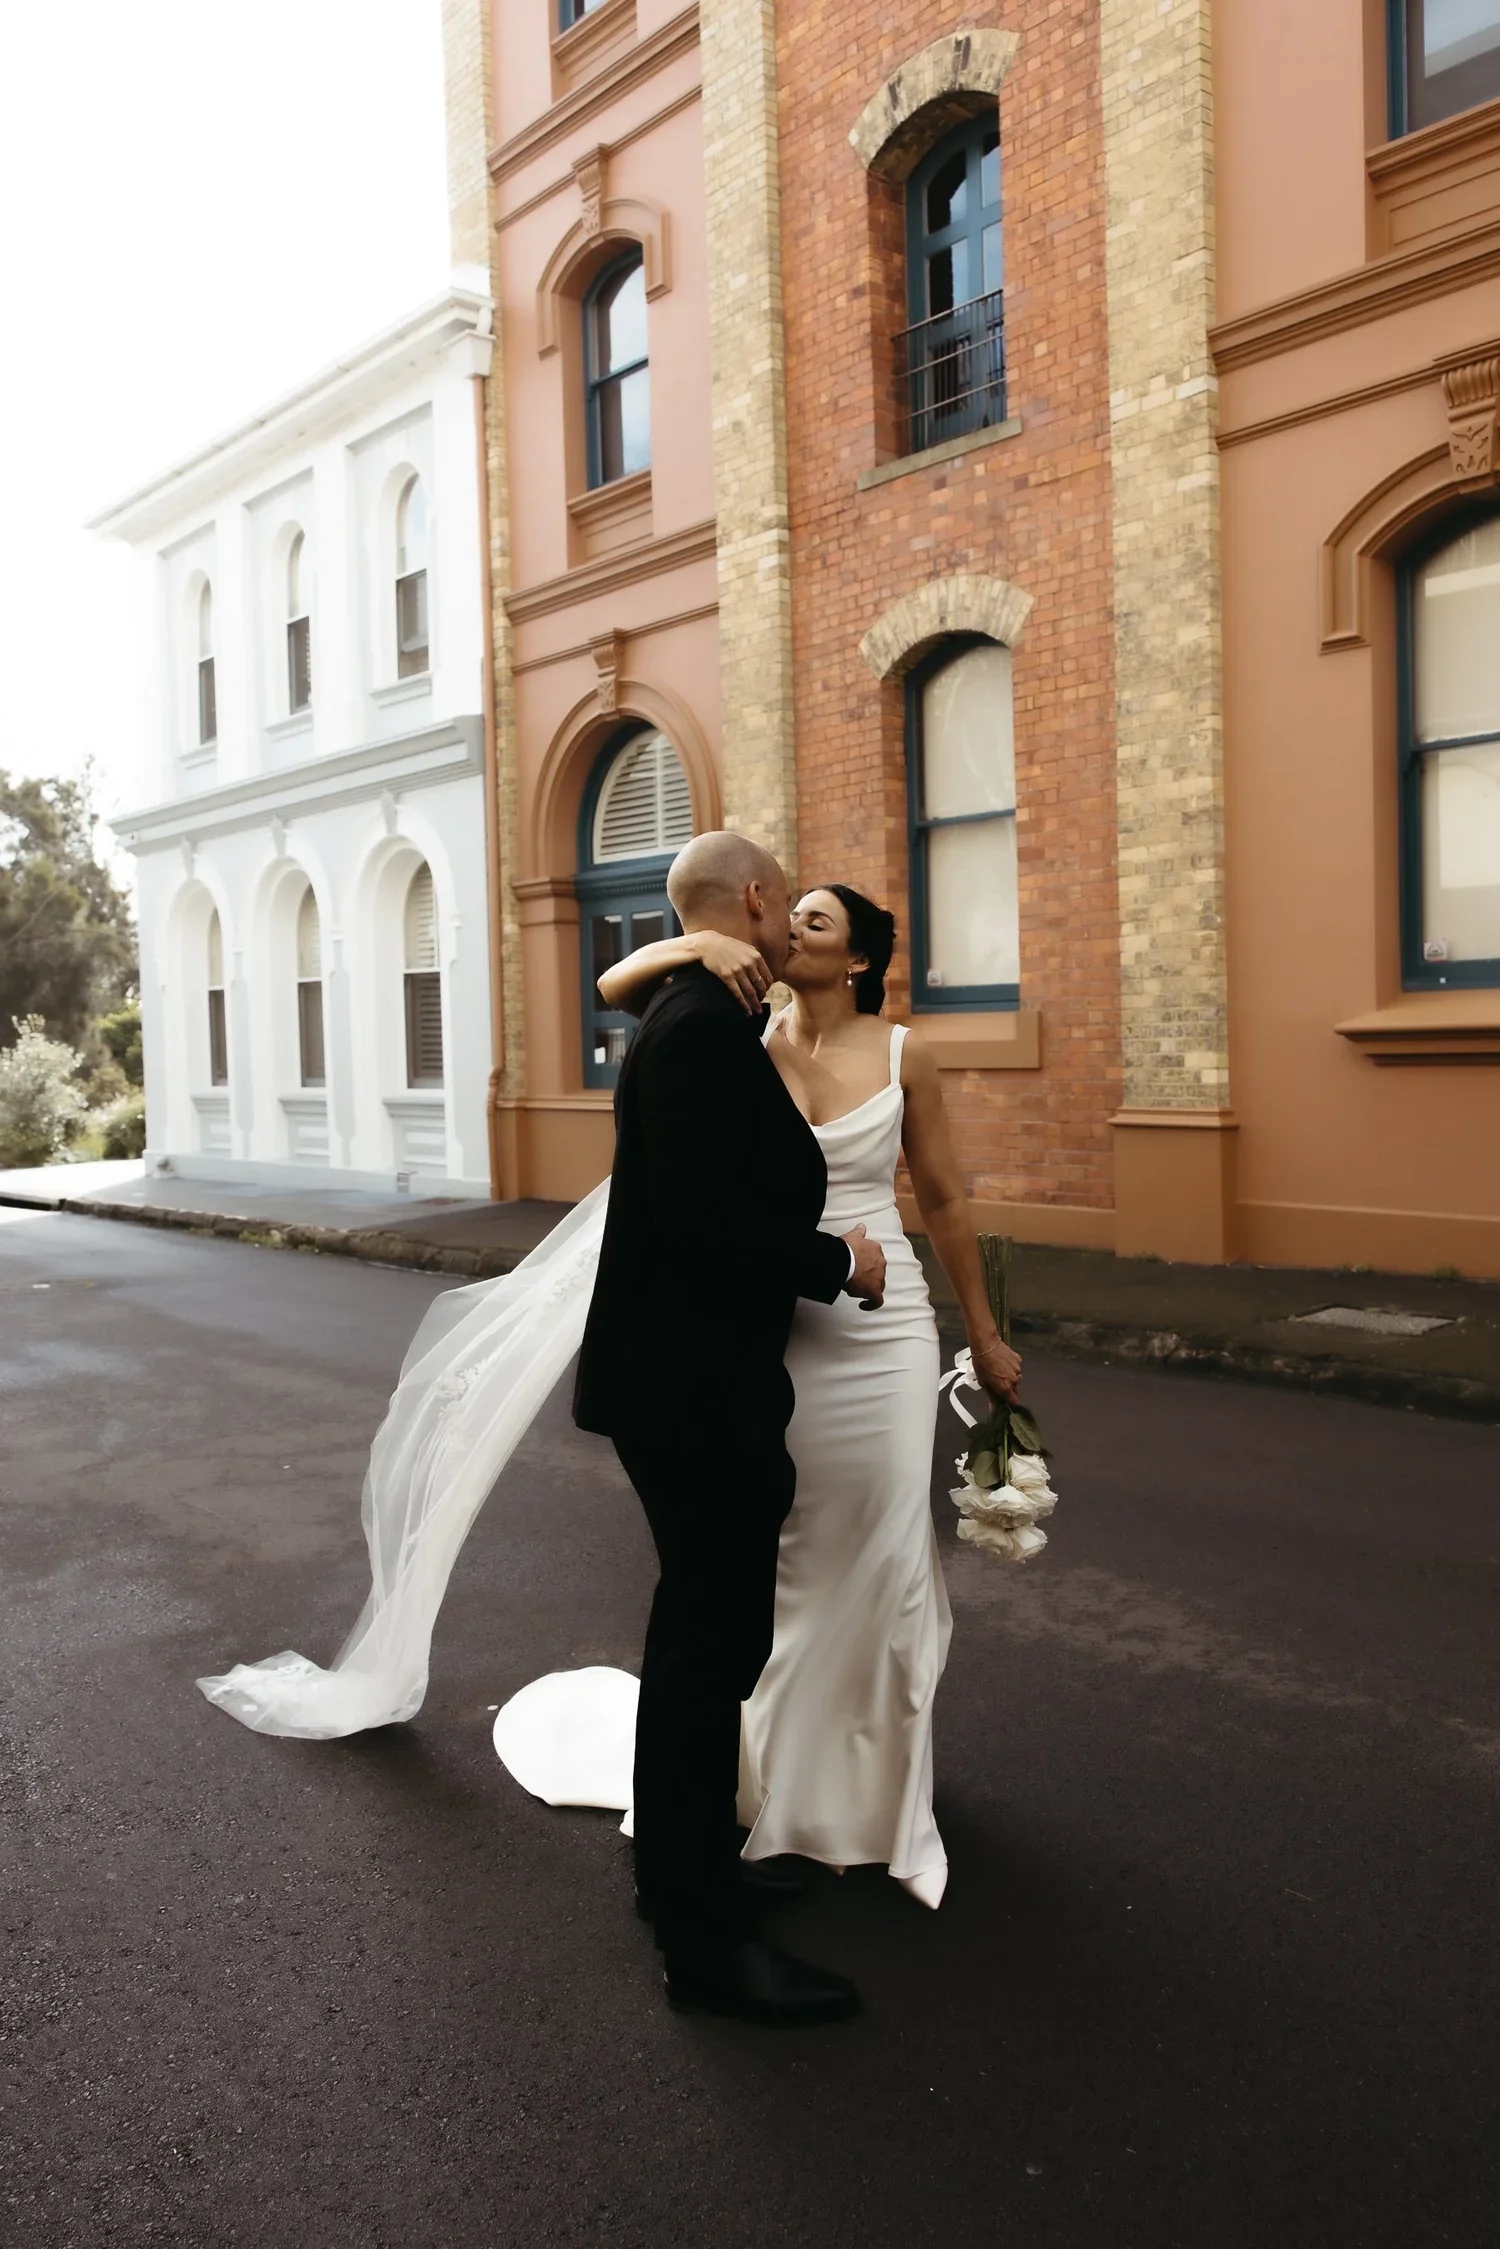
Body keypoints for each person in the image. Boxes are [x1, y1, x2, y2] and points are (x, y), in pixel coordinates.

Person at [595, 881, 1021, 1927]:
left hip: (884, 1323)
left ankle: (874, 1793)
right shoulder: (743, 1025)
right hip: (783, 1313)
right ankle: (773, 1777)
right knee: (784, 1555)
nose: (794, 926)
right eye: (791, 912)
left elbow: (948, 1196)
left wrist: (987, 1326)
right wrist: (694, 936)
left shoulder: (904, 1051)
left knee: (882, 1545)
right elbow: (617, 984)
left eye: (818, 919)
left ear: (861, 957)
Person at [574, 833, 888, 2028]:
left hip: (677, 1384)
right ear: (755, 899)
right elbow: (713, 1226)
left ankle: (688, 1877)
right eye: (782, 898)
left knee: (703, 1639)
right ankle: (704, 1946)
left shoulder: (690, 997)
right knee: (712, 1649)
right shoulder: (702, 1025)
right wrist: (839, 1261)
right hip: (693, 1389)